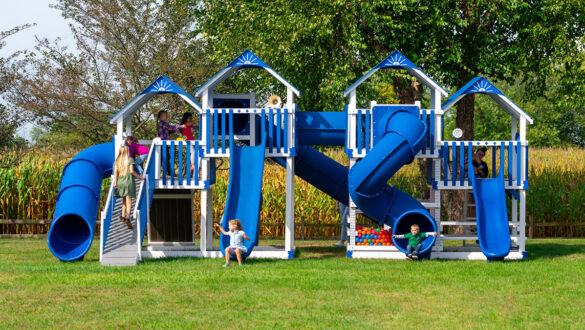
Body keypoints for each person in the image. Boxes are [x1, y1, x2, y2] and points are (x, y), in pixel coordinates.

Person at [113, 145, 144, 230]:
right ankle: (127, 218)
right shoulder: (130, 160)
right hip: (128, 181)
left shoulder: (117, 161)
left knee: (124, 199)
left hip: (120, 182)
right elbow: (132, 171)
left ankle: (123, 216)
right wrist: (140, 177)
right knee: (129, 201)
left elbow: (116, 173)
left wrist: (115, 182)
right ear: (127, 151)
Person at [157, 110, 184, 175]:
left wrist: (173, 131)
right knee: (166, 157)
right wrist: (180, 126)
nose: (167, 116)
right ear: (161, 116)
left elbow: (168, 131)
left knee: (166, 157)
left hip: (164, 143)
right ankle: (168, 172)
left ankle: (168, 172)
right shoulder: (163, 123)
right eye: (165, 115)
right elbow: (171, 127)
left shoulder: (162, 124)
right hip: (163, 143)